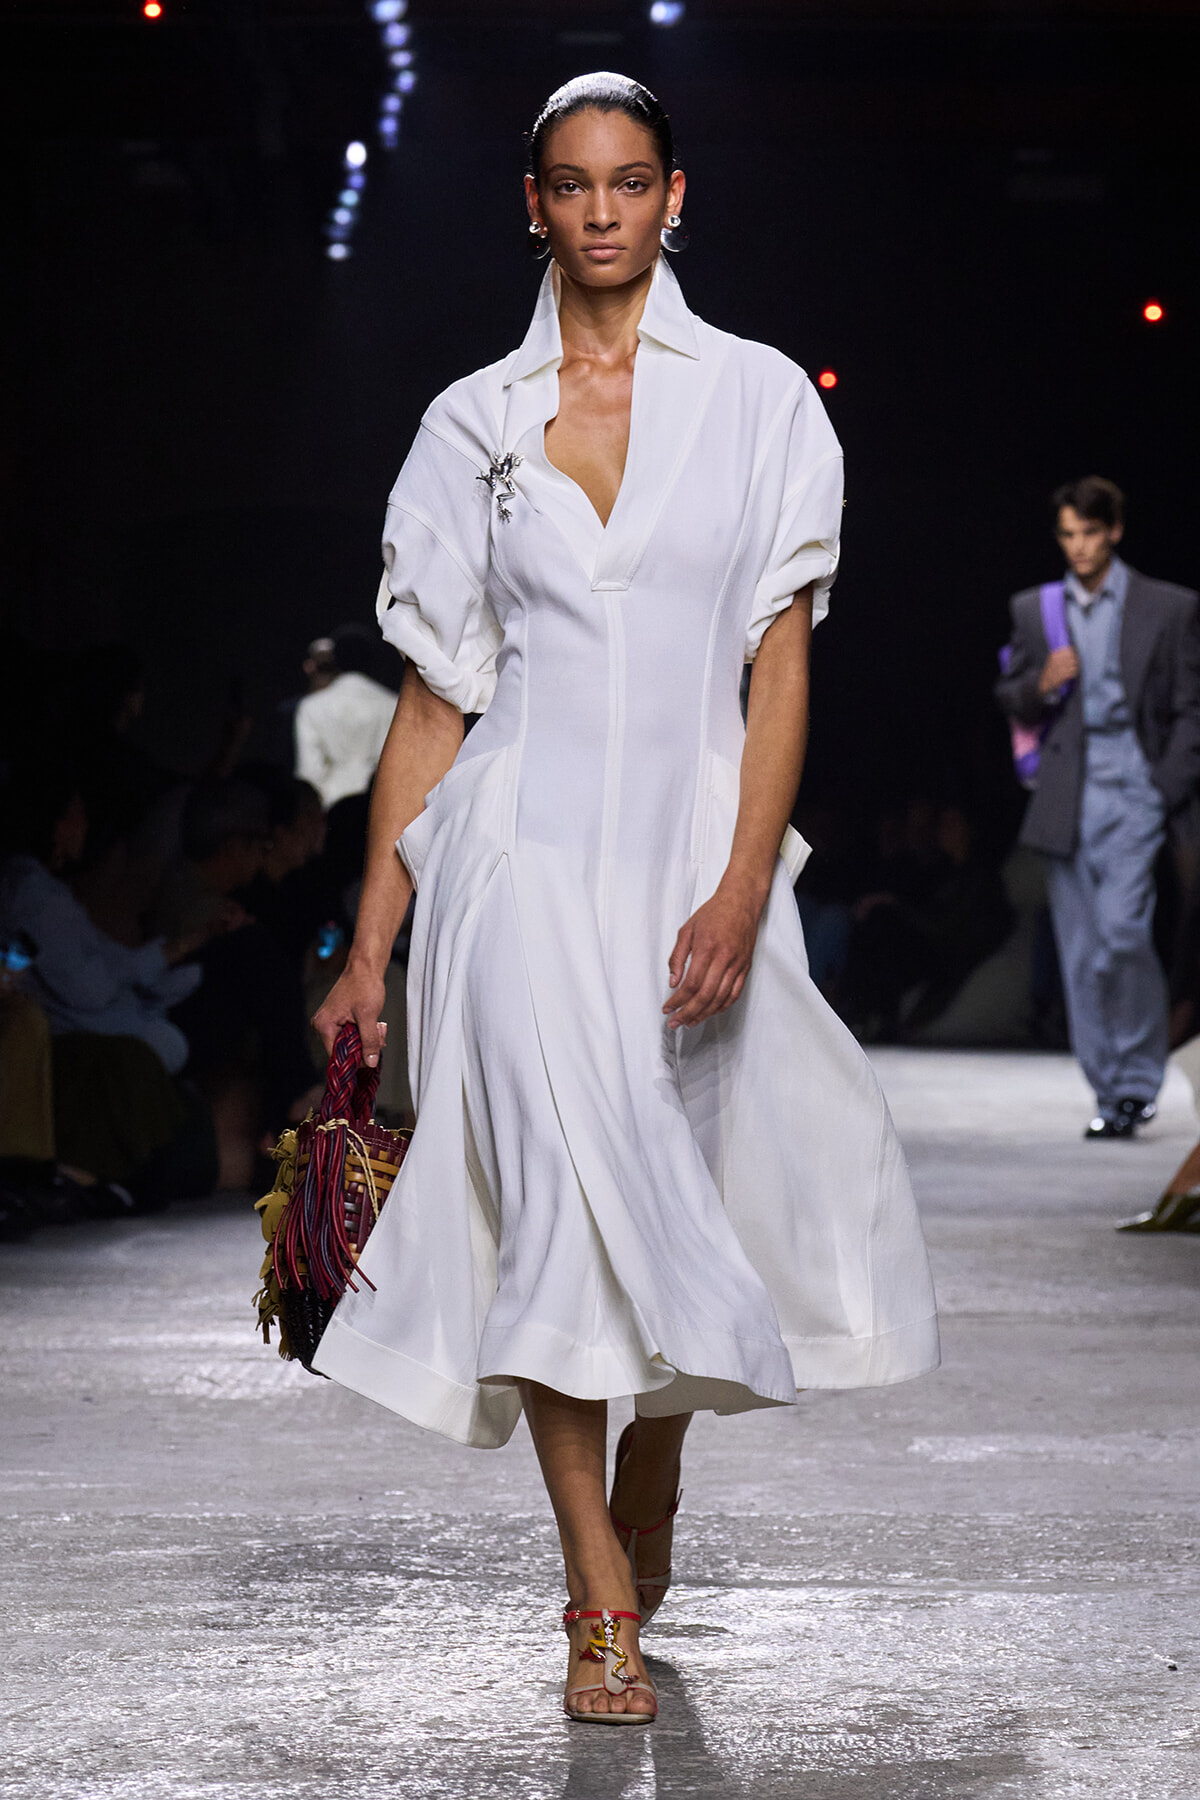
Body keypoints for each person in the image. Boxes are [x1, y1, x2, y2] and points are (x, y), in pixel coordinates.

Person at [312, 73, 939, 1726]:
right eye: (573, 185)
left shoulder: (756, 405)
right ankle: (596, 1580)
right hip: (512, 861)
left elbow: (777, 668)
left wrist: (743, 886)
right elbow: (435, 705)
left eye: (632, 181)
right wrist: (373, 940)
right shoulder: (473, 425)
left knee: (676, 1199)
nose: (603, 211)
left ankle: (650, 1450)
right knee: (541, 1199)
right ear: (532, 203)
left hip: (685, 854)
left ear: (677, 198)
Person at [997, 477, 1200, 1139]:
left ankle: (1139, 1079)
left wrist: (1166, 783)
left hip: (1135, 787)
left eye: (1089, 532)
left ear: (1113, 531)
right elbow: (1011, 695)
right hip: (1065, 792)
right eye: (1067, 534)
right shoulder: (1038, 609)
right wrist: (1039, 682)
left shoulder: (1168, 608)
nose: (1078, 546)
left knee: (1122, 934)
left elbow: (1189, 706)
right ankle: (1112, 1094)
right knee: (1081, 951)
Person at [293, 625, 398, 809]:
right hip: (377, 805)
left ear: (336, 659)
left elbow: (309, 773)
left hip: (329, 806)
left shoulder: (312, 707)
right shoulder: (391, 704)